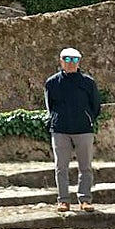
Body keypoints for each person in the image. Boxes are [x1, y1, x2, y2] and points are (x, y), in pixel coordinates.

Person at [44, 48, 101, 212]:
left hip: (83, 129)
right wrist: (55, 119)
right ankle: (63, 200)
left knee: (85, 167)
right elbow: (50, 105)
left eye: (74, 60)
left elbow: (95, 106)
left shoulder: (88, 82)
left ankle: (85, 199)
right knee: (61, 167)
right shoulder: (52, 82)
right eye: (67, 59)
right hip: (60, 129)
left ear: (79, 62)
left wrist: (87, 118)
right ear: (61, 61)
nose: (70, 63)